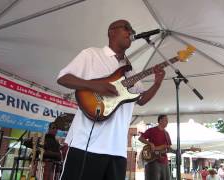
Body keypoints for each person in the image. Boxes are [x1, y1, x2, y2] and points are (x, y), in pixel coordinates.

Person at [57, 19, 165, 180]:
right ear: (112, 32)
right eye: (126, 28)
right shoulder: (92, 54)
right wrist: (95, 86)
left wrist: (157, 83)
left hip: (117, 150)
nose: (131, 32)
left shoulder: (131, 71)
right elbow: (63, 78)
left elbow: (141, 100)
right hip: (87, 144)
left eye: (132, 29)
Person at [138, 114, 172, 180]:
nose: (167, 122)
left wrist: (163, 147)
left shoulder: (166, 133)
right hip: (153, 160)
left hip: (164, 161)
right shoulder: (152, 130)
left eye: (167, 120)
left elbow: (168, 147)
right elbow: (140, 138)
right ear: (160, 121)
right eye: (166, 120)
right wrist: (150, 143)